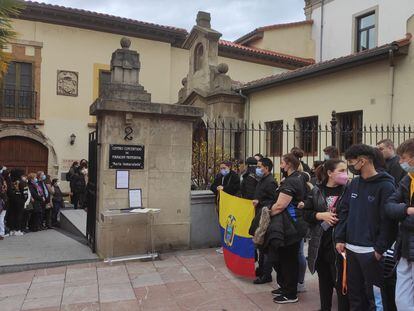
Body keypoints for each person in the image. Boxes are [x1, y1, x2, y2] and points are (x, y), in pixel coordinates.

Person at [335, 144, 396, 310]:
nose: (349, 166)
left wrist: (379, 249)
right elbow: (344, 211)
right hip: (351, 250)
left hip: (371, 253)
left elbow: (388, 222)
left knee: (375, 298)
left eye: (351, 162)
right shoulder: (354, 184)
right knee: (355, 295)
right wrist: (340, 237)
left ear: (362, 161)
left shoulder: (386, 186)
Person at [304, 159, 349, 311]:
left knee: (341, 283)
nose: (345, 174)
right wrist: (320, 215)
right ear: (330, 173)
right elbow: (306, 214)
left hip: (340, 244)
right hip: (321, 244)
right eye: (341, 171)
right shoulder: (317, 190)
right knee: (324, 282)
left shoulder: (348, 190)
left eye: (346, 170)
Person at [269, 153, 308, 304]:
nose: (280, 166)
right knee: (284, 258)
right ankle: (285, 287)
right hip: (292, 224)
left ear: (289, 165)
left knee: (288, 260)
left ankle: (290, 293)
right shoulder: (298, 177)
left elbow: (280, 205)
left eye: (282, 163)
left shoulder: (291, 181)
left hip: (290, 226)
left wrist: (266, 213)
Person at [385, 138, 414, 310]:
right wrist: (407, 211)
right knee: (401, 300)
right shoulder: (407, 179)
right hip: (404, 247)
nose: (401, 162)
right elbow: (389, 206)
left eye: (403, 158)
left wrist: (401, 215)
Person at [250, 158, 278, 284]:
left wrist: (259, 202)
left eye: (259, 166)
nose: (257, 168)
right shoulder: (263, 180)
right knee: (260, 246)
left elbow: (273, 202)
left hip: (265, 218)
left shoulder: (271, 182)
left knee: (264, 247)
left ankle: (266, 274)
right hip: (260, 215)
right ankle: (261, 270)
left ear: (266, 168)